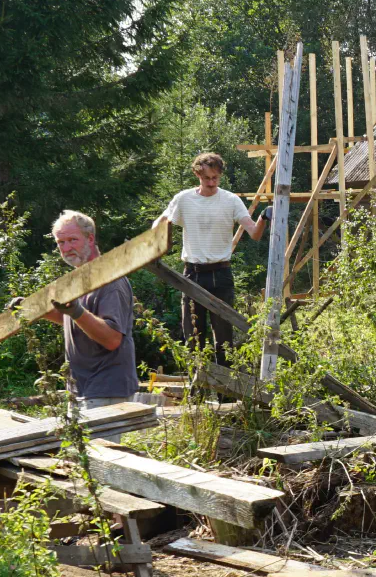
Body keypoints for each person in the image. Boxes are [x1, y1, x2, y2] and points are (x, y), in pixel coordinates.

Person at [156, 151, 265, 362]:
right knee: (194, 337)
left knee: (224, 340)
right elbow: (160, 223)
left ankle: (226, 395)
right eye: (207, 178)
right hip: (192, 274)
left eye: (215, 177)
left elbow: (254, 233)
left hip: (221, 273)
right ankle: (198, 392)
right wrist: (154, 247)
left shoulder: (230, 200)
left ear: (220, 175)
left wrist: (263, 217)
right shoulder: (184, 199)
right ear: (198, 175)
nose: (211, 182)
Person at [40, 210, 139, 412]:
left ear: (90, 238)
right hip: (81, 388)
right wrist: (35, 311)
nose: (66, 248)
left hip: (105, 390)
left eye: (72, 240)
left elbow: (112, 339)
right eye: (61, 242)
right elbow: (77, 321)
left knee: (100, 446)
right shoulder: (79, 280)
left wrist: (77, 312)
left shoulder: (110, 280)